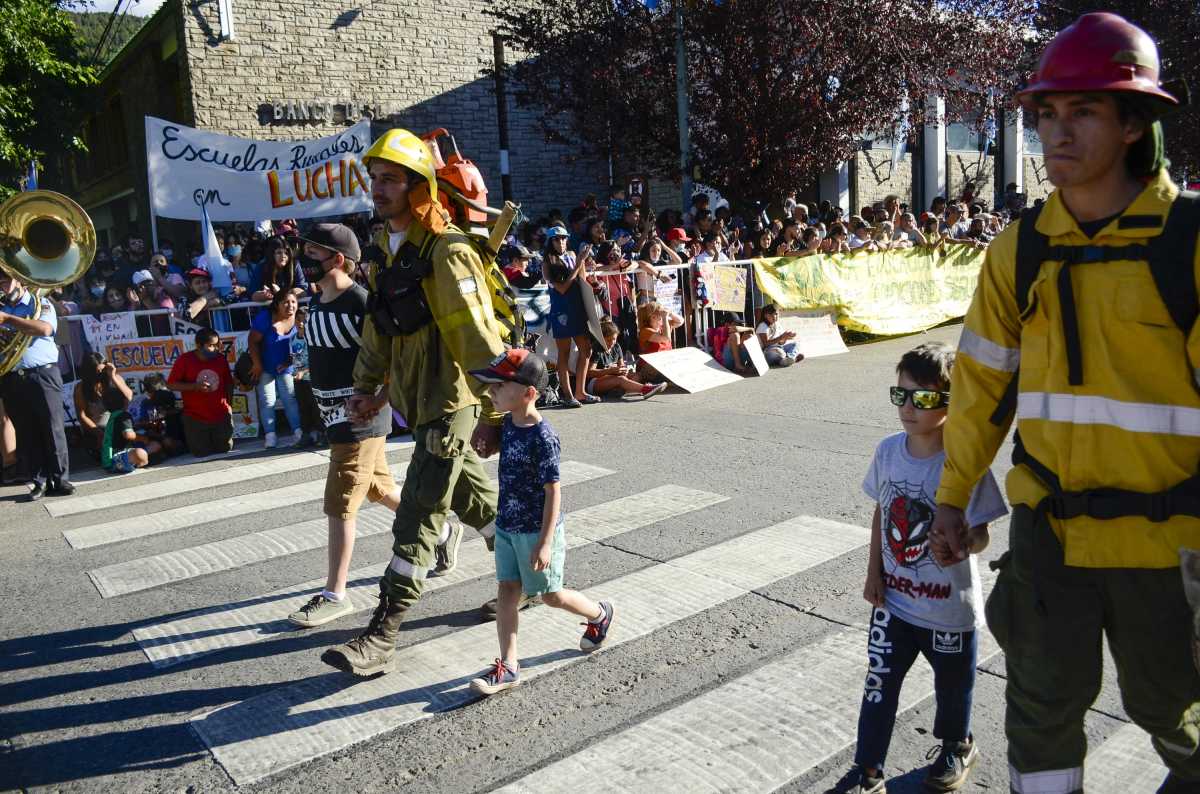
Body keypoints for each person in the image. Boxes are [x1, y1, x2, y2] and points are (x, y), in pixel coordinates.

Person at [929, 14, 1200, 794]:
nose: (1057, 132)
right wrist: (955, 498)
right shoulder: (1022, 247)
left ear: (1132, 124)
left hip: (1168, 545)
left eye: (1082, 111)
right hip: (1051, 538)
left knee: (1173, 713)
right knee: (1040, 718)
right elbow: (980, 388)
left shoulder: (1187, 240)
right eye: (1046, 114)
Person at [320, 128, 509, 676]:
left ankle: (382, 634)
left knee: (421, 512)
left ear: (418, 186)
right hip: (414, 401)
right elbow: (380, 331)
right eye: (374, 178)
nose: (377, 189)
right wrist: (368, 388)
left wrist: (496, 414)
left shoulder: (448, 253)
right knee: (478, 504)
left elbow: (479, 341)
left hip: (451, 404)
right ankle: (535, 581)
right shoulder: (384, 250)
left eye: (391, 180)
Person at [845, 342, 1006, 794]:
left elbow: (983, 533)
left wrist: (966, 544)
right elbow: (882, 510)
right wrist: (873, 571)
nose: (910, 408)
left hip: (948, 612)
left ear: (953, 403)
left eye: (925, 398)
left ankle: (957, 744)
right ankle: (870, 770)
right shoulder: (888, 451)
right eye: (902, 396)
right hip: (894, 603)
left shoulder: (964, 462)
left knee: (954, 689)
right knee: (879, 684)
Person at [466, 349, 615, 695]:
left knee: (550, 595)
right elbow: (508, 458)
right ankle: (509, 665)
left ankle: (599, 614)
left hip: (536, 530)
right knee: (507, 591)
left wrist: (546, 541)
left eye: (499, 386)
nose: (491, 392)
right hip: (506, 524)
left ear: (528, 393)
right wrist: (487, 448)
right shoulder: (507, 423)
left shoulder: (543, 436)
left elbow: (553, 491)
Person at [286, 224, 403, 628]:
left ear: (338, 260)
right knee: (378, 489)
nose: (304, 261)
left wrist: (377, 400)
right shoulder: (316, 302)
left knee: (339, 503)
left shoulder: (362, 304)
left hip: (360, 420)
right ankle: (439, 535)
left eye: (313, 254)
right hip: (335, 420)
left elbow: (395, 359)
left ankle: (335, 593)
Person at [0, 272, 73, 500]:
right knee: (26, 431)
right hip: (11, 376)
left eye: (4, 279)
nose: (1, 284)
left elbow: (44, 329)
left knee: (52, 427)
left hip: (42, 374)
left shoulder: (40, 303)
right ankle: (37, 481)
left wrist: (8, 320)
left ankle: (59, 479)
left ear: (18, 280)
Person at [543, 225, 595, 409]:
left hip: (577, 308)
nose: (561, 242)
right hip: (561, 311)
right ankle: (568, 394)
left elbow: (582, 278)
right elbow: (562, 288)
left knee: (586, 349)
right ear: (550, 242)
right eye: (557, 239)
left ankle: (581, 392)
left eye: (564, 238)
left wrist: (589, 274)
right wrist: (579, 262)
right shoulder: (548, 263)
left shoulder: (572, 255)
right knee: (563, 354)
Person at [167, 328, 235, 457]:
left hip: (221, 415)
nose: (215, 348)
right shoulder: (184, 360)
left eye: (217, 345)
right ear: (198, 345)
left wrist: (229, 406)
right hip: (195, 417)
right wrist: (195, 386)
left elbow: (229, 384)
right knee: (200, 453)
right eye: (211, 345)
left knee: (225, 449)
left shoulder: (220, 359)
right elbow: (170, 384)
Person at [248, 290, 303, 448]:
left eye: (293, 302)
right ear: (277, 304)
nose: (290, 305)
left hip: (287, 365)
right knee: (267, 401)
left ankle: (298, 431)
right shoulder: (265, 317)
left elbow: (301, 346)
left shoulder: (298, 318)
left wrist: (288, 362)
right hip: (264, 365)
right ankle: (270, 435)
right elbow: (252, 341)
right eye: (285, 302)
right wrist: (257, 364)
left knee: (290, 399)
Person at [588, 320, 667, 399]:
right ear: (601, 339)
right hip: (594, 382)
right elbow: (590, 372)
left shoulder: (616, 347)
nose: (612, 342)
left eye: (614, 339)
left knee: (637, 375)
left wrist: (623, 370)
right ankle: (645, 389)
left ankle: (618, 391)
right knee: (621, 379)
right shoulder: (597, 349)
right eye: (608, 340)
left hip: (612, 377)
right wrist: (610, 371)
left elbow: (621, 366)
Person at [73, 353, 132, 458]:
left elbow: (128, 397)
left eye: (102, 370)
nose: (100, 374)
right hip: (98, 430)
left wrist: (113, 376)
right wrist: (99, 434)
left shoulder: (114, 378)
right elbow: (82, 416)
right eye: (97, 372)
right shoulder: (81, 388)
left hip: (119, 425)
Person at [100, 383, 162, 474]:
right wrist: (143, 438)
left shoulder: (112, 417)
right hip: (118, 459)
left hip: (108, 462)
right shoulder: (124, 415)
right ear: (125, 401)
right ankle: (141, 462)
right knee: (143, 451)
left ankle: (139, 461)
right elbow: (129, 435)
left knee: (152, 447)